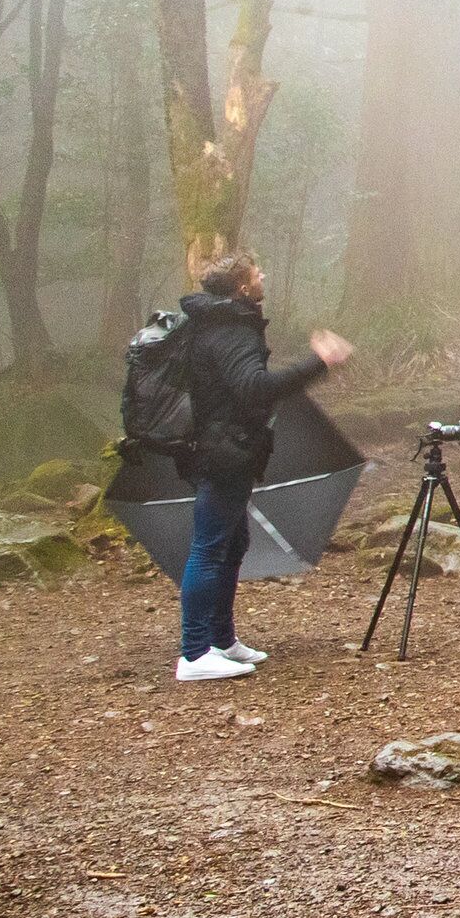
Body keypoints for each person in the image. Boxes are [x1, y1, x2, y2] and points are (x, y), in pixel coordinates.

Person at [171, 252, 350, 682]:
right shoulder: (232, 329)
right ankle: (194, 653)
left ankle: (222, 640)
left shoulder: (216, 323)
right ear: (241, 286)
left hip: (222, 445)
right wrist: (318, 362)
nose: (264, 275)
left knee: (231, 545)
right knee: (210, 547)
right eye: (256, 273)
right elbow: (256, 389)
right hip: (225, 450)